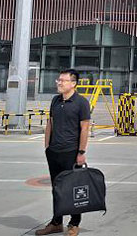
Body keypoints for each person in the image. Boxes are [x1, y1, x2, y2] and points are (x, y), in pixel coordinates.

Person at [35, 69, 91, 236]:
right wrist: (47, 147)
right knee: (56, 189)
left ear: (73, 83)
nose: (59, 83)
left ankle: (74, 223)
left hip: (71, 153)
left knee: (73, 188)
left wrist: (81, 151)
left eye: (63, 80)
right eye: (58, 80)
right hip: (54, 152)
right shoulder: (55, 100)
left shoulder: (81, 102)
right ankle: (56, 222)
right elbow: (50, 124)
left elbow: (85, 128)